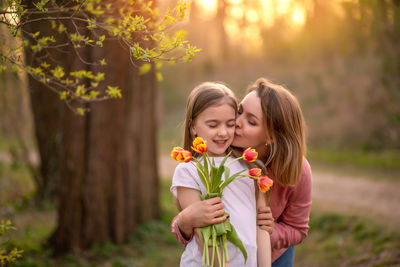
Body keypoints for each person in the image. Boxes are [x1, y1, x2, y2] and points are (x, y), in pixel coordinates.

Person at [171, 78, 312, 267]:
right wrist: (184, 221)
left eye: (251, 121)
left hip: (269, 252)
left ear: (271, 136)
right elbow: (201, 227)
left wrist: (268, 230)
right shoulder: (209, 159)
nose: (235, 123)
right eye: (239, 112)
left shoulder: (265, 170)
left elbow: (295, 229)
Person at [170, 82, 271, 267]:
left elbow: (262, 227)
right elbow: (202, 233)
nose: (223, 132)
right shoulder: (188, 171)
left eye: (230, 124)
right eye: (213, 125)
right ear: (193, 127)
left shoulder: (251, 168)